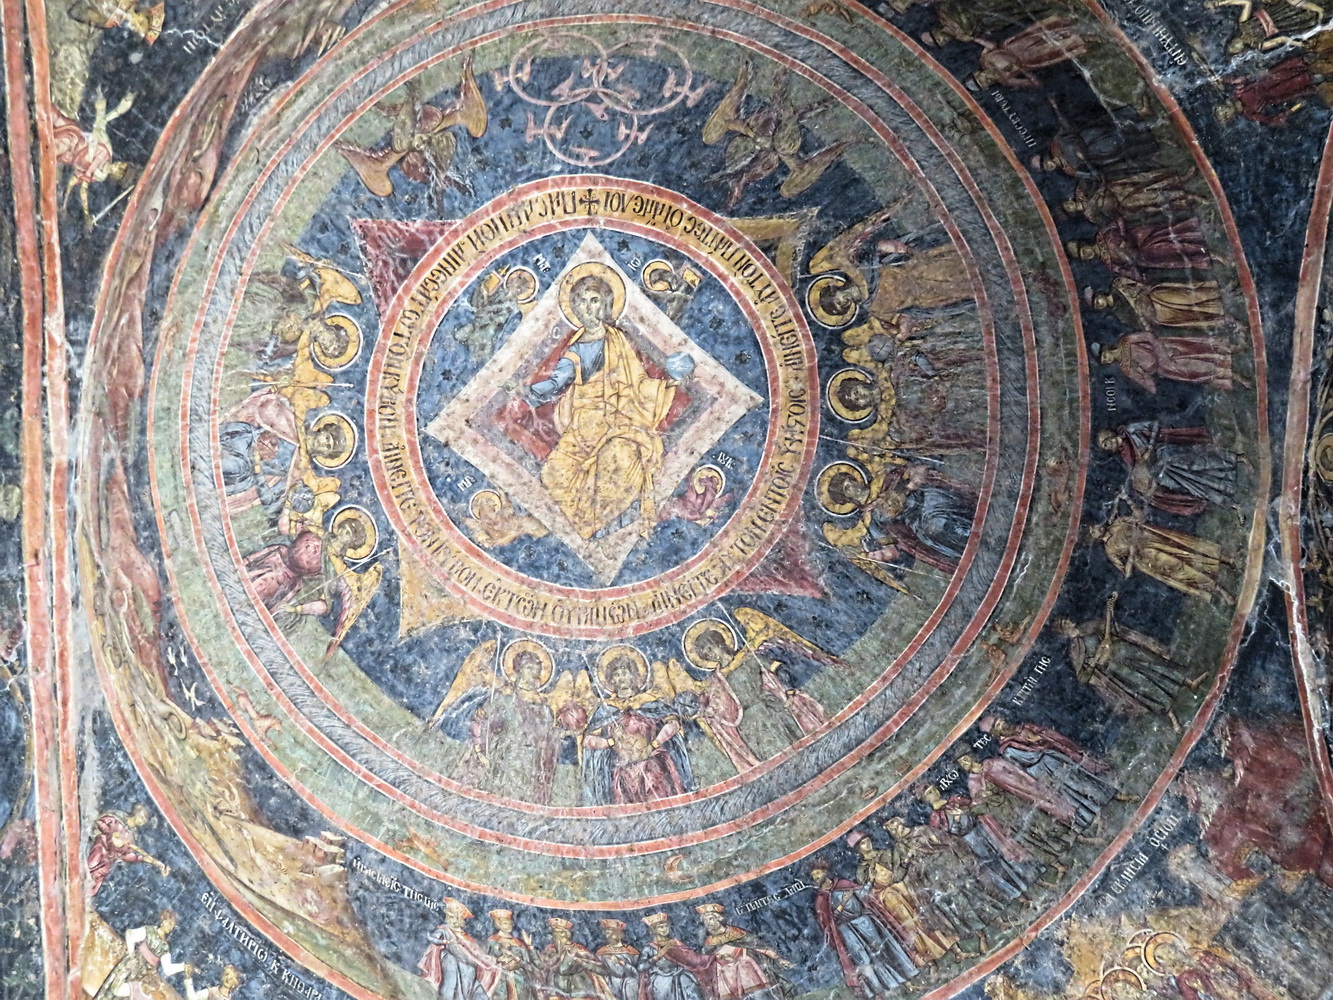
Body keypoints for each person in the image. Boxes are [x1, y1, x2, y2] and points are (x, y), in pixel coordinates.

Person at [526, 268, 693, 541]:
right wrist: (528, 392)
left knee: (621, 460)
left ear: (604, 305)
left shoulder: (618, 340)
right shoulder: (575, 347)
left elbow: (638, 383)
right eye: (582, 302)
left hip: (619, 421)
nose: (588, 308)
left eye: (594, 301)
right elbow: (557, 382)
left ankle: (601, 522)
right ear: (574, 307)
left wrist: (667, 386)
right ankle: (585, 523)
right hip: (582, 426)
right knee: (553, 473)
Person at [1055, 594, 1202, 721]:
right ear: (1063, 632)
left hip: (1124, 650)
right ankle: (1171, 716)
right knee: (1144, 685)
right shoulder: (1075, 650)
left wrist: (1109, 636)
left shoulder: (1088, 626)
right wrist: (1095, 659)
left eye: (1065, 620)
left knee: (1155, 664)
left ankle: (1189, 682)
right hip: (1115, 667)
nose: (1068, 621)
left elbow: (1110, 628)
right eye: (1064, 624)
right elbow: (1082, 677)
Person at [582, 652, 693, 805]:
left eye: (624, 673)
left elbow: (673, 725)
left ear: (633, 675)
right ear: (611, 680)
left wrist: (652, 746)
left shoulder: (649, 701)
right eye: (616, 675)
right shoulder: (606, 709)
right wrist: (610, 742)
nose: (621, 678)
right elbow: (587, 740)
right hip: (624, 771)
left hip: (653, 766)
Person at [975, 718, 1120, 827]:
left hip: (1053, 758)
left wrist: (1038, 739)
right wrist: (1036, 744)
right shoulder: (1007, 750)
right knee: (1070, 791)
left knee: (1081, 778)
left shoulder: (1023, 729)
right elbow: (1025, 763)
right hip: (1043, 769)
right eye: (997, 724)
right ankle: (1094, 815)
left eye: (999, 719)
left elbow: (1046, 738)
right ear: (995, 732)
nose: (1002, 723)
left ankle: (1110, 794)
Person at [808, 858, 920, 997]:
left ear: (825, 871)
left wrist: (870, 882)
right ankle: (877, 993)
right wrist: (842, 903)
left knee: (883, 951)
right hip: (847, 931)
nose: (816, 877)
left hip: (865, 922)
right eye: (814, 876)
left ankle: (904, 982)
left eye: (818, 873)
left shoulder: (843, 884)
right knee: (864, 961)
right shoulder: (821, 900)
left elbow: (863, 895)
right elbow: (829, 923)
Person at [848, 831, 957, 965]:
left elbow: (899, 873)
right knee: (910, 927)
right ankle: (929, 960)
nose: (868, 844)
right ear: (858, 849)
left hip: (904, 890)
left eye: (867, 840)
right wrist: (872, 880)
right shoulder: (862, 870)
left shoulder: (887, 854)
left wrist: (907, 859)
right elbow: (867, 892)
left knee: (926, 917)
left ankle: (954, 949)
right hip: (890, 900)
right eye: (863, 843)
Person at [1088, 507, 1234, 603]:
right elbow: (1126, 573)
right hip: (1150, 557)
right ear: (1094, 538)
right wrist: (1131, 555)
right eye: (1093, 531)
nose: (1096, 528)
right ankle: (1219, 588)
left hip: (1155, 538)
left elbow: (1141, 518)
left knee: (1189, 548)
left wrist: (1130, 503)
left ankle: (1228, 560)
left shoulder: (1117, 522)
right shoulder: (1110, 550)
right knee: (1182, 568)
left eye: (1094, 526)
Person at [1097, 421, 1238, 516]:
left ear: (1109, 437)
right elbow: (1138, 467)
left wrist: (1150, 447)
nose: (1108, 448)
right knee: (1184, 483)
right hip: (1158, 469)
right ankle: (1224, 490)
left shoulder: (1131, 430)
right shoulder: (1123, 454)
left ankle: (1230, 462)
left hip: (1162, 453)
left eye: (1106, 445)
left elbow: (1155, 425)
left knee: (1192, 464)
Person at [690, 904, 792, 1000]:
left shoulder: (737, 933)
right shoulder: (709, 942)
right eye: (705, 921)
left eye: (711, 919)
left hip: (747, 971)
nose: (708, 923)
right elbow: (707, 961)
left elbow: (758, 946)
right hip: (726, 977)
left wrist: (778, 958)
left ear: (719, 919)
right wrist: (721, 958)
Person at [968, 16, 1090, 89]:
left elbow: (992, 46)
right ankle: (1088, 36)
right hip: (1032, 58)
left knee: (1047, 30)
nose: (986, 80)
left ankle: (1074, 19)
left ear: (978, 73)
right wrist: (1024, 71)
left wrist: (977, 40)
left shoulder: (984, 59)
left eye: (981, 79)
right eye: (984, 84)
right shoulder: (1006, 80)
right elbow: (1036, 84)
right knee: (1058, 46)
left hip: (1018, 44)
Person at [1067, 218, 1212, 280]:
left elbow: (1118, 220)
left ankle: (1198, 231)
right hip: (1145, 255)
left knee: (1171, 233)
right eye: (1084, 257)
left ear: (1085, 244)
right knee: (1171, 250)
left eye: (1083, 251)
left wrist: (1123, 236)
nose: (1087, 254)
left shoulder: (1102, 235)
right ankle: (1202, 252)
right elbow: (1128, 272)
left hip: (1140, 237)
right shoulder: (1108, 263)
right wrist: (1132, 265)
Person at [1099, 331, 1240, 393]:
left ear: (1107, 350)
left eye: (1104, 356)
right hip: (1165, 368)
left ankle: (1229, 351)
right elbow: (1145, 380)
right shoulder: (1126, 367)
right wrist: (1148, 384)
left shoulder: (1126, 341)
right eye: (1105, 361)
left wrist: (1161, 353)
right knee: (1196, 369)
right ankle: (1229, 373)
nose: (1107, 359)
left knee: (1196, 348)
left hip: (1164, 348)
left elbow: (1148, 336)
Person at [419, 898, 502, 1000]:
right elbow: (433, 938)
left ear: (459, 919)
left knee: (481, 996)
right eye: (448, 916)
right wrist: (445, 942)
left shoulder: (467, 937)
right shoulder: (445, 930)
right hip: (453, 963)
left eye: (452, 917)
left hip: (469, 971)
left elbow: (477, 954)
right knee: (449, 984)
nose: (449, 919)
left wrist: (492, 960)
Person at [93, 910, 187, 1000]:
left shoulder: (165, 946)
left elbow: (168, 969)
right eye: (170, 924)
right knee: (116, 988)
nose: (170, 928)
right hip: (132, 966)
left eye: (172, 926)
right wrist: (132, 956)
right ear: (163, 921)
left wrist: (183, 966)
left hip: (144, 975)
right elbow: (130, 935)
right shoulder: (150, 931)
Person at [1061, 168, 1201, 225]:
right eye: (1069, 209)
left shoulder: (1081, 191)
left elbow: (1094, 178)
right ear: (1073, 213)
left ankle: (1182, 178)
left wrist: (1102, 188)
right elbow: (1109, 219)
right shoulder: (1091, 215)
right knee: (1153, 197)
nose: (1070, 207)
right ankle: (1184, 195)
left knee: (1150, 180)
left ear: (1068, 201)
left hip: (1117, 187)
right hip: (1124, 204)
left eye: (1067, 205)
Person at [86, 803, 170, 895]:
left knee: (102, 874)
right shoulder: (119, 817)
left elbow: (126, 855)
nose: (142, 822)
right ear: (136, 812)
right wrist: (110, 833)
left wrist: (142, 858)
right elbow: (100, 822)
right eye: (142, 817)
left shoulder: (133, 836)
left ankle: (86, 893)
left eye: (144, 821)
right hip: (101, 844)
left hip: (109, 858)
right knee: (95, 859)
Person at [1084, 278, 1227, 331]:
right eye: (1097, 307)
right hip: (1157, 315)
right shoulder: (1119, 314)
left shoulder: (1117, 284)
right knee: (1190, 315)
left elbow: (1139, 282)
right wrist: (1143, 317)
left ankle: (1220, 292)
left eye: (1097, 301)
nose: (1100, 305)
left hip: (1154, 297)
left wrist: (1139, 294)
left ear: (1100, 294)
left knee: (1188, 297)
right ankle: (1217, 311)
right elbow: (1139, 323)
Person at [638, 913, 708, 1000]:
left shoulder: (675, 943)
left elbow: (690, 958)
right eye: (661, 927)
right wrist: (657, 957)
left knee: (691, 987)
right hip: (660, 978)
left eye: (666, 926)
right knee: (663, 988)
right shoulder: (650, 948)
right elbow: (640, 967)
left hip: (679, 974)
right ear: (654, 930)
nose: (664, 929)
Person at [542, 918, 613, 1000]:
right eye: (554, 933)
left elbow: (600, 968)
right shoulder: (551, 949)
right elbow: (544, 966)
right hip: (557, 989)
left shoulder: (578, 949)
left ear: (564, 934)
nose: (554, 936)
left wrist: (581, 962)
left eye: (556, 933)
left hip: (578, 989)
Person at [488, 909, 539, 1000]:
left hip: (519, 980)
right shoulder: (492, 941)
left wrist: (518, 962)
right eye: (505, 923)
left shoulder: (518, 942)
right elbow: (484, 961)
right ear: (498, 924)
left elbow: (529, 965)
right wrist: (498, 961)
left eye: (510, 923)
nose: (509, 925)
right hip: (500, 980)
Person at [597, 920, 640, 1000]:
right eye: (607, 933)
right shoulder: (602, 952)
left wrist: (620, 962)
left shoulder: (631, 951)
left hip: (628, 982)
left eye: (611, 932)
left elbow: (635, 970)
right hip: (610, 983)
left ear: (619, 933)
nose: (608, 935)